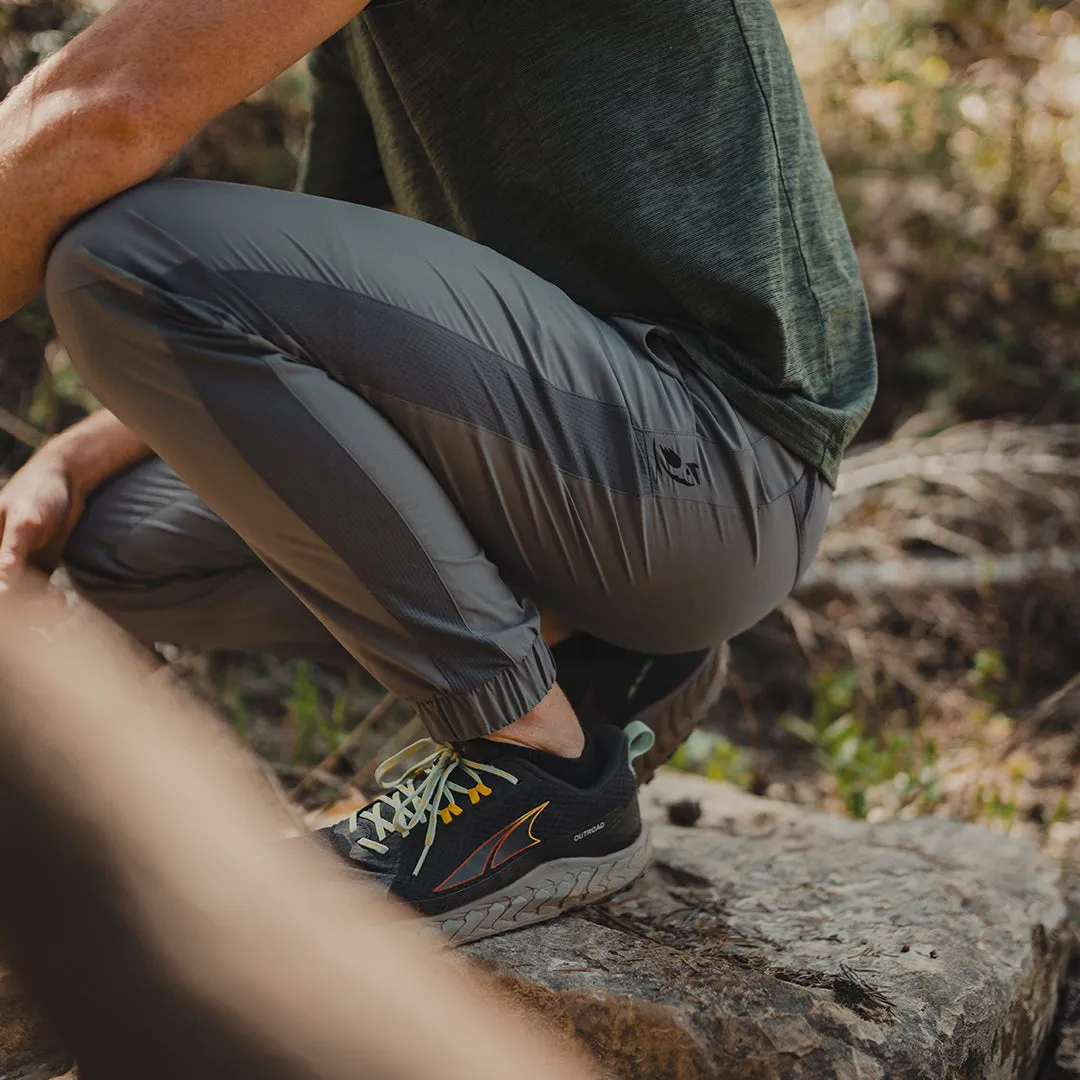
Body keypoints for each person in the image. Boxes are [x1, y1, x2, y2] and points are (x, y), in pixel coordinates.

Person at [0, 0, 876, 942]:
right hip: (590, 463)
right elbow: (317, 266)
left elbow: (103, 110)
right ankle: (602, 658)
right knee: (119, 536)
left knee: (120, 259)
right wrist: (84, 447)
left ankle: (536, 773)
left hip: (717, 464)